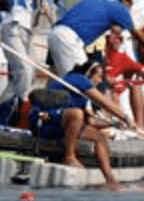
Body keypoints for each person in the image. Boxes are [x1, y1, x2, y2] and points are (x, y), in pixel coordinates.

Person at [28, 61, 133, 190]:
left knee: (99, 137)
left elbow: (91, 121)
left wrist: (114, 124)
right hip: (45, 121)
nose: (100, 81)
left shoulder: (82, 95)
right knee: (76, 113)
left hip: (61, 124)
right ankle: (69, 156)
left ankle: (110, 179)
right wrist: (126, 118)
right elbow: (104, 102)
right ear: (90, 73)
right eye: (98, 76)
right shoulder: (78, 79)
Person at [48, 0, 144, 77]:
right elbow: (142, 37)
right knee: (82, 82)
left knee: (59, 81)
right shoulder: (119, 8)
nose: (130, 7)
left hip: (55, 33)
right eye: (130, 3)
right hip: (69, 40)